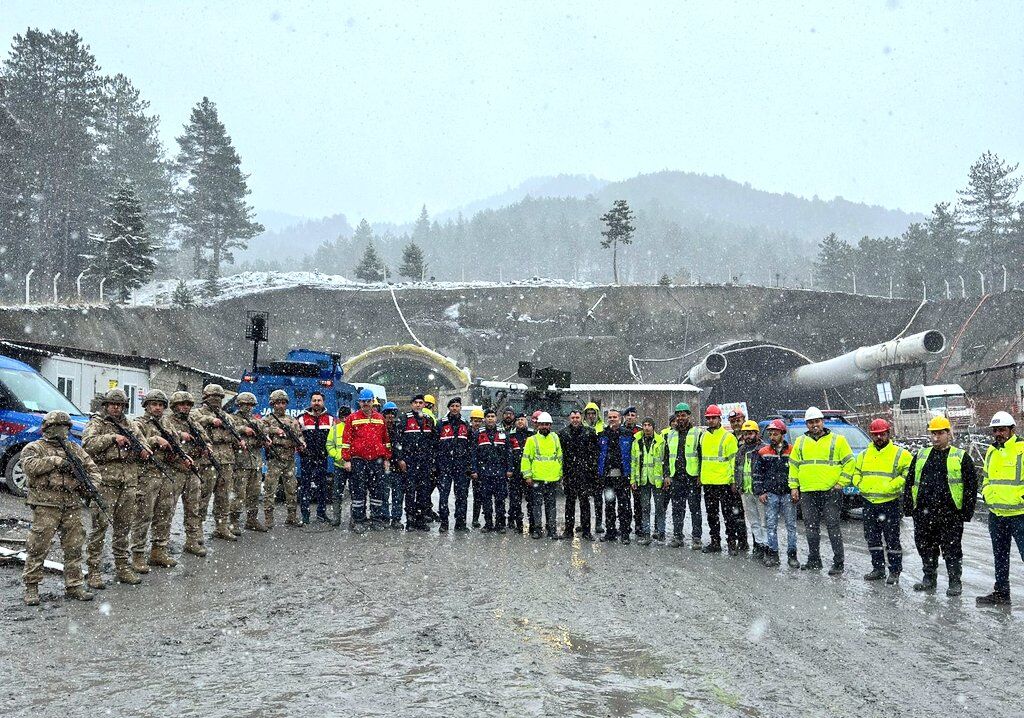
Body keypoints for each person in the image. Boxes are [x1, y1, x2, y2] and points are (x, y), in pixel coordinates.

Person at [21, 411, 100, 605]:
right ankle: (31, 587)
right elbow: (30, 467)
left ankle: (74, 585)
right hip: (46, 505)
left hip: (72, 504)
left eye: (64, 427)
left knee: (74, 547)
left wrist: (88, 486)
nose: (60, 431)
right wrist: (55, 461)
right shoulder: (34, 447)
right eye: (56, 427)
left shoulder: (75, 449)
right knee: (38, 547)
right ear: (46, 428)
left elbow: (94, 471)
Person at [82, 388, 151, 588]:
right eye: (113, 404)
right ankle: (94, 570)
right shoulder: (97, 423)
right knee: (99, 527)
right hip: (106, 483)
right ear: (106, 405)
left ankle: (122, 567)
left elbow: (144, 444)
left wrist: (144, 450)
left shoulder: (130, 425)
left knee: (123, 527)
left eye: (120, 405)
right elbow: (88, 444)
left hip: (128, 483)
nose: (116, 408)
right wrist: (112, 438)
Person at [903, 415, 977, 596]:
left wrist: (966, 512)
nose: (936, 438)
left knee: (951, 549)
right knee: (925, 546)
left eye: (940, 433)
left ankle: (954, 581)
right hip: (924, 512)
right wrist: (908, 506)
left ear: (948, 434)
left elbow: (970, 486)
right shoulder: (921, 456)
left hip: (950, 513)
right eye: (933, 434)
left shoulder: (961, 457)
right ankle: (929, 578)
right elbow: (911, 482)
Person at [788, 406, 852, 575]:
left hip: (831, 491)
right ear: (806, 424)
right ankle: (814, 560)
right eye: (810, 422)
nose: (814, 425)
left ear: (822, 422)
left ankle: (838, 562)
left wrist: (841, 483)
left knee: (833, 527)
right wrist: (794, 487)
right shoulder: (800, 442)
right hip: (808, 492)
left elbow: (849, 462)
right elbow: (794, 466)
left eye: (817, 421)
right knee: (811, 527)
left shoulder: (838, 440)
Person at [847, 418, 912, 585]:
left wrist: (893, 486)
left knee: (892, 539)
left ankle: (895, 571)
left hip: (890, 503)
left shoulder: (900, 454)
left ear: (888, 433)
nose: (879, 437)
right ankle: (878, 568)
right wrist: (860, 484)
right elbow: (856, 473)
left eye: (882, 434)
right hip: (869, 503)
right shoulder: (863, 455)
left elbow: (908, 474)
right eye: (875, 434)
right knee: (872, 538)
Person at [975, 411, 1024, 606]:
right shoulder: (991, 451)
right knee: (1000, 556)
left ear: (1012, 429)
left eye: (1002, 429)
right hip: (997, 515)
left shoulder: (1021, 448)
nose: (998, 433)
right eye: (995, 430)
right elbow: (986, 478)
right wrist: (987, 493)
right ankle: (1001, 593)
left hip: (1020, 514)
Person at [158, 391, 207, 557]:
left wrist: (205, 446)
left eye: (188, 404)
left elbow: (205, 438)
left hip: (192, 470)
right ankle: (160, 546)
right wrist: (181, 435)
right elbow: (160, 436)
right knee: (166, 509)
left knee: (193, 508)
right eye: (182, 404)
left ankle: (192, 541)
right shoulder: (166, 421)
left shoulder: (193, 422)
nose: (185, 407)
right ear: (174, 406)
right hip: (174, 470)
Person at [129, 389, 172, 575]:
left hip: (165, 474)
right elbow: (134, 445)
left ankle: (158, 550)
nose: (157, 408)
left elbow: (175, 444)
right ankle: (138, 554)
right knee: (143, 515)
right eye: (154, 404)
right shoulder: (137, 424)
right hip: (146, 475)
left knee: (164, 513)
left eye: (161, 405)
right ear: (146, 406)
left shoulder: (167, 424)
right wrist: (154, 440)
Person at [193, 383, 243, 540]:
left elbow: (235, 440)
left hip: (226, 461)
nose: (216, 400)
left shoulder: (227, 417)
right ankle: (197, 528)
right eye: (213, 397)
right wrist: (210, 420)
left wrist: (239, 441)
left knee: (223, 496)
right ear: (205, 398)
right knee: (203, 496)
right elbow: (194, 423)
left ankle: (221, 526)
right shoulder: (197, 413)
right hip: (207, 461)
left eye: (219, 397)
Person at [341, 388, 392, 532]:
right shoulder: (352, 418)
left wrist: (387, 457)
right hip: (358, 460)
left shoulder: (380, 418)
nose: (365, 404)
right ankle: (359, 520)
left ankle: (376, 519)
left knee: (377, 491)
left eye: (368, 401)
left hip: (377, 461)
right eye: (363, 401)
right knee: (358, 491)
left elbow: (385, 440)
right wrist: (347, 459)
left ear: (372, 401)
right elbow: (346, 440)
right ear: (359, 402)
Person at [754, 419, 798, 568]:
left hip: (787, 494)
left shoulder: (792, 451)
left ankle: (792, 555)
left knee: (791, 526)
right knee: (771, 525)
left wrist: (796, 489)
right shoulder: (763, 452)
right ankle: (773, 554)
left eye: (775, 433)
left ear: (782, 434)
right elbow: (757, 474)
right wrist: (760, 491)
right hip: (771, 494)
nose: (772, 436)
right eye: (771, 434)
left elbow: (798, 471)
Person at [261, 389, 306, 528]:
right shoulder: (267, 420)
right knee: (270, 489)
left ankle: (291, 517)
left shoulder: (292, 420)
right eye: (278, 403)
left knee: (292, 489)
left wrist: (302, 443)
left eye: (283, 403)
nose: (280, 406)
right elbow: (261, 431)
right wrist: (276, 431)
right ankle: (268, 519)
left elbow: (299, 436)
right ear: (272, 404)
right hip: (275, 459)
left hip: (289, 459)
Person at [699, 405, 738, 554]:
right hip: (708, 482)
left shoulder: (728, 437)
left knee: (728, 515)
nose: (710, 420)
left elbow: (733, 461)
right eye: (708, 418)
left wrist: (733, 480)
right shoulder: (703, 436)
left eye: (713, 418)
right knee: (712, 514)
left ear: (719, 418)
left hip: (724, 482)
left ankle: (731, 543)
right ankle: (715, 541)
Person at [664, 403, 703, 550]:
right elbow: (667, 457)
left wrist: (700, 475)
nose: (681, 418)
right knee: (677, 509)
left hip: (692, 477)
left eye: (683, 415)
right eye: (678, 415)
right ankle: (678, 536)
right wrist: (667, 474)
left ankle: (697, 538)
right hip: (677, 478)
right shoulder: (670, 434)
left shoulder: (697, 433)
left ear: (688, 416)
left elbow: (701, 455)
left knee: (695, 509)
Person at [558, 409, 599, 540]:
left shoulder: (590, 432)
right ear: (569, 419)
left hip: (585, 474)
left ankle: (586, 531)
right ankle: (568, 530)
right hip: (569, 473)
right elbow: (561, 455)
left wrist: (592, 472)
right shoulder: (563, 434)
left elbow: (594, 454)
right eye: (573, 418)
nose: (575, 420)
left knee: (584, 503)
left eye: (577, 417)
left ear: (581, 418)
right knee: (569, 503)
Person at [522, 411, 562, 539]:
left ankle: (552, 530)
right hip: (537, 479)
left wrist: (560, 474)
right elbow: (526, 459)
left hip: (552, 478)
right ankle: (537, 529)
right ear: (538, 425)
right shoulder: (532, 440)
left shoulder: (555, 438)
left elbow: (559, 457)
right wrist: (527, 476)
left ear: (550, 425)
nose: (545, 427)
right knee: (537, 506)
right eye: (542, 424)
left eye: (547, 424)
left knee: (551, 506)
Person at [434, 397, 472, 532]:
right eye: (452, 406)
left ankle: (460, 522)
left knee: (461, 496)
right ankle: (444, 522)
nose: (455, 408)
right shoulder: (441, 424)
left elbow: (470, 447)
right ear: (449, 408)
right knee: (444, 496)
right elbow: (435, 446)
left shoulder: (466, 425)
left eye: (457, 406)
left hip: (461, 466)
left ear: (460, 408)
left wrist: (469, 466)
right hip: (445, 466)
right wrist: (436, 465)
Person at [233, 392, 269, 532]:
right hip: (240, 463)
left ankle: (252, 519)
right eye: (245, 404)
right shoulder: (233, 419)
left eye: (250, 405)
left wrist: (265, 440)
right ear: (239, 405)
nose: (248, 407)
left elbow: (265, 432)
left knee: (254, 493)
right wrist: (243, 429)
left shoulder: (256, 421)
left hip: (255, 463)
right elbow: (228, 431)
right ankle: (234, 521)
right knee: (238, 494)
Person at [471, 408, 512, 532]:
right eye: (488, 416)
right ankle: (488, 524)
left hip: (500, 472)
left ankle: (500, 525)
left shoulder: (503, 433)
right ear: (485, 419)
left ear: (496, 418)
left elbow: (508, 453)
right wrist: (474, 470)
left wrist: (509, 469)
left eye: (492, 416)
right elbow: (474, 454)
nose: (490, 418)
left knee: (500, 500)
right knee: (486, 500)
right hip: (484, 473)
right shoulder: (478, 434)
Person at [298, 391, 335, 523]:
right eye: (314, 400)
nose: (316, 403)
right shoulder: (302, 418)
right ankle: (305, 515)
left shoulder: (330, 419)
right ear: (310, 402)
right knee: (305, 487)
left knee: (322, 488)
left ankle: (321, 514)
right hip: (306, 458)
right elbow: (297, 437)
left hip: (322, 458)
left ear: (323, 402)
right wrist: (301, 449)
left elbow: (333, 439)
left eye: (319, 400)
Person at [598, 409, 634, 544]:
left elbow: (633, 456)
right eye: (610, 417)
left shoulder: (628, 435)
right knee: (609, 506)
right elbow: (599, 456)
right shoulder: (602, 435)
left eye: (615, 417)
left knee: (624, 506)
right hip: (608, 477)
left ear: (620, 418)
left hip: (623, 477)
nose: (612, 419)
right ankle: (610, 532)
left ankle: (625, 533)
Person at [399, 395, 435, 531]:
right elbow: (398, 441)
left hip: (424, 462)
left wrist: (431, 459)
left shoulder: (428, 420)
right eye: (416, 403)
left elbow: (433, 441)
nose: (418, 405)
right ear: (411, 404)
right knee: (410, 492)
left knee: (423, 492)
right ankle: (410, 520)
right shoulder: (404, 419)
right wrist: (400, 459)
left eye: (421, 403)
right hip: (410, 462)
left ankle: (420, 519)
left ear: (424, 405)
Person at [631, 418, 666, 545]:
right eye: (645, 425)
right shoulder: (637, 441)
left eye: (649, 425)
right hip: (643, 479)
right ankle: (646, 534)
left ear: (653, 427)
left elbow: (664, 460)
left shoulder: (660, 441)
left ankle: (661, 533)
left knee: (659, 508)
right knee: (645, 508)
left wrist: (665, 477)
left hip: (657, 480)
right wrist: (633, 479)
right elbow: (634, 462)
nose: (646, 428)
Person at [735, 419, 767, 559]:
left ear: (757, 434)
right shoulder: (741, 450)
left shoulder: (763, 450)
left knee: (764, 521)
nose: (747, 436)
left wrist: (764, 489)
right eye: (745, 434)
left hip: (759, 492)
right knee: (753, 521)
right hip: (746, 491)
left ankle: (767, 547)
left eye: (750, 433)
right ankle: (758, 546)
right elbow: (737, 469)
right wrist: (739, 485)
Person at [380, 401, 406, 529]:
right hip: (383, 467)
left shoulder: (400, 428)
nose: (390, 416)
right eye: (388, 414)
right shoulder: (379, 428)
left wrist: (400, 460)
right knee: (384, 494)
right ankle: (384, 518)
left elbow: (402, 446)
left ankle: (396, 518)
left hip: (396, 468)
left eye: (392, 414)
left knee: (398, 495)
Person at [326, 405, 352, 526]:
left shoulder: (355, 428)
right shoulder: (335, 429)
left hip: (353, 466)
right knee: (337, 494)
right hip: (339, 466)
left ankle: (354, 519)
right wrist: (338, 456)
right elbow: (329, 445)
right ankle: (336, 519)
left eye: (347, 416)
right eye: (343, 417)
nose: (345, 419)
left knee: (355, 494)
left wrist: (351, 459)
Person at [506, 413, 533, 534]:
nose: (520, 422)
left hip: (529, 473)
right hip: (515, 472)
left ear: (526, 421)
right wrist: (509, 469)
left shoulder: (532, 435)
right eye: (518, 420)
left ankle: (533, 524)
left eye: (522, 419)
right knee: (515, 500)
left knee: (531, 500)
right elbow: (508, 454)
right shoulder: (510, 436)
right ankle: (518, 524)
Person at [469, 408, 485, 527]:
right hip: (466, 466)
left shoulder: (482, 433)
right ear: (471, 421)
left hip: (479, 467)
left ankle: (476, 519)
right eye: (475, 421)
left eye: (479, 421)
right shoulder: (467, 432)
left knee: (479, 495)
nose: (477, 423)